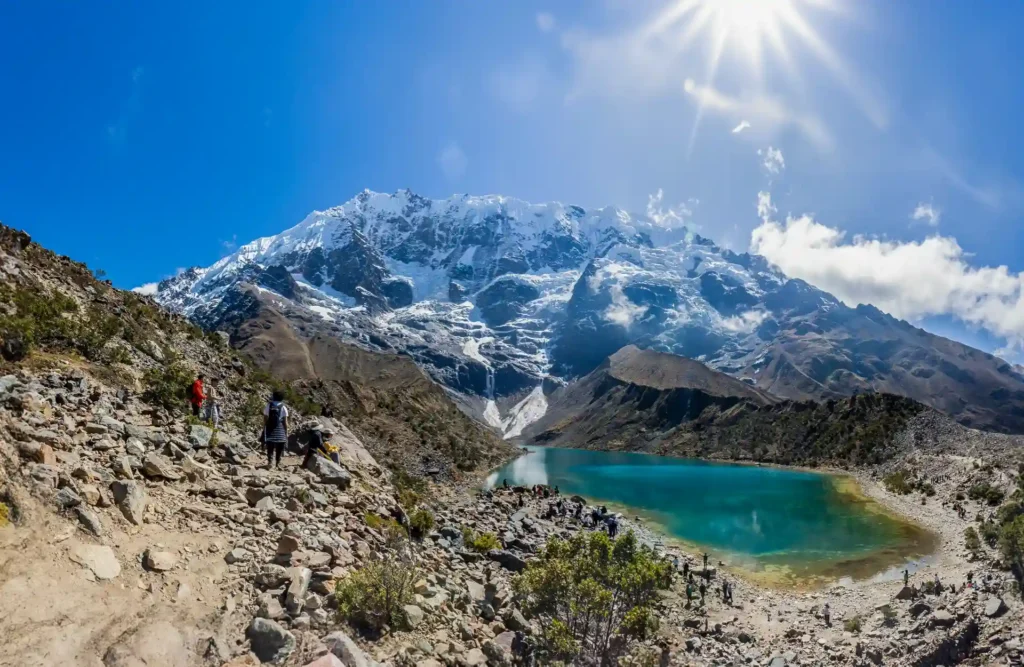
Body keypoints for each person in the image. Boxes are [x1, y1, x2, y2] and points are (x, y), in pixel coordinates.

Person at [263, 389, 289, 468]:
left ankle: (270, 462)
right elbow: (285, 421)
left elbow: (265, 417)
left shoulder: (269, 405)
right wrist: (286, 431)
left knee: (270, 446)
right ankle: (278, 462)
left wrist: (265, 426)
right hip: (280, 429)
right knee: (280, 446)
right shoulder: (283, 407)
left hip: (270, 428)